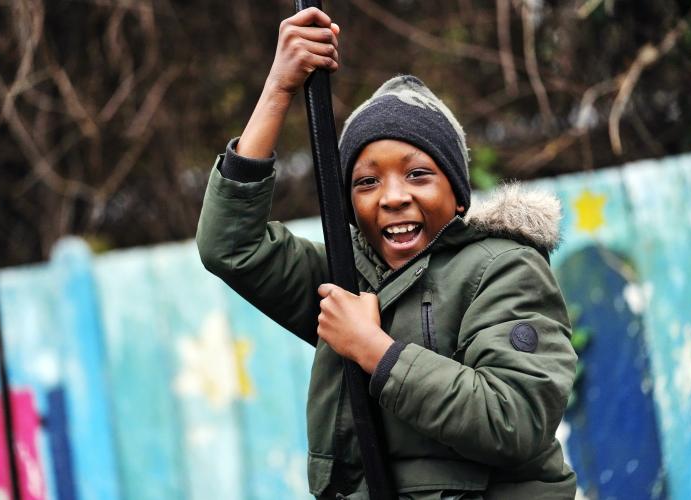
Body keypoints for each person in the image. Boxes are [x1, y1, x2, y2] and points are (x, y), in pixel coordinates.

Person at [196, 7, 577, 499]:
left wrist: (373, 349)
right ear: (349, 205)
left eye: (418, 173)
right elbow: (230, 245)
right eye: (366, 181)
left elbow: (514, 419)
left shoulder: (503, 268)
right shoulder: (342, 277)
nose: (393, 196)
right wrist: (279, 89)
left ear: (458, 194)